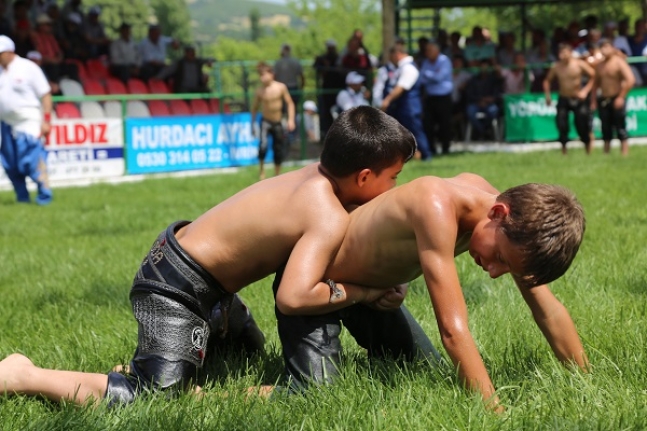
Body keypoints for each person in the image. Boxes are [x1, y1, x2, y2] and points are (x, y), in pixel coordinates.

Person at [0, 106, 419, 406]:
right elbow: (293, 298)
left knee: (247, 358)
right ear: (363, 177)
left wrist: (384, 278)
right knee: (156, 398)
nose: (395, 187)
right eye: (394, 177)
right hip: (174, 288)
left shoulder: (317, 179)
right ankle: (24, 375)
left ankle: (149, 361)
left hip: (211, 293)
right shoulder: (325, 212)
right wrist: (364, 292)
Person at [273, 173, 587, 411]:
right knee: (313, 394)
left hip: (371, 297)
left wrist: (584, 380)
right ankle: (228, 390)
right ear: (498, 214)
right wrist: (494, 412)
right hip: (314, 288)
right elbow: (453, 329)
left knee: (423, 369)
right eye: (501, 260)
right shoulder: (437, 204)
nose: (494, 273)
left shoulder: (502, 217)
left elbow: (547, 308)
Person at [0, 35, 53, 205]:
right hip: (5, 123)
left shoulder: (28, 68)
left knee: (31, 160)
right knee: (10, 164)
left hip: (28, 123)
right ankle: (22, 198)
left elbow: (45, 94)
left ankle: (44, 196)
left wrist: (46, 120)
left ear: (9, 52)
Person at [381, 43, 432, 160]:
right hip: (404, 107)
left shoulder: (408, 68)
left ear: (398, 54)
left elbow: (401, 87)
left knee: (416, 132)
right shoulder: (403, 67)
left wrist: (387, 100)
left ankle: (426, 156)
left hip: (410, 107)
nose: (390, 59)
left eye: (391, 56)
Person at [543, 43, 595, 155]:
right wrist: (548, 96)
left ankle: (588, 148)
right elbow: (547, 81)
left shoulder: (579, 64)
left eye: (564, 52)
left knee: (581, 123)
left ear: (570, 52)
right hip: (564, 98)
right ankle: (564, 151)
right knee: (561, 124)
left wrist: (585, 91)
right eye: (560, 53)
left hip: (578, 98)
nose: (562, 55)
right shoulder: (556, 66)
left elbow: (594, 76)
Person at [250, 62, 296, 180]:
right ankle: (261, 171)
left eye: (264, 74)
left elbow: (290, 103)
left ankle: (277, 174)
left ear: (271, 74)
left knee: (278, 148)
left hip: (278, 121)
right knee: (263, 146)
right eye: (260, 75)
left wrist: (291, 119)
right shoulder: (260, 91)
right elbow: (254, 108)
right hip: (265, 121)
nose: (262, 78)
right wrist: (252, 124)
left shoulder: (280, 87)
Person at [591, 39, 635, 156]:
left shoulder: (619, 62)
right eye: (602, 48)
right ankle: (606, 153)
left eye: (607, 47)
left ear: (612, 48)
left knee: (620, 127)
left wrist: (621, 97)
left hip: (617, 97)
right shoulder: (599, 65)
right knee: (605, 128)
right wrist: (594, 100)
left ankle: (624, 153)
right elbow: (595, 84)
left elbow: (630, 80)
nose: (604, 50)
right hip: (604, 99)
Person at [419, 38, 453, 155]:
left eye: (429, 50)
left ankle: (445, 149)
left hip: (443, 97)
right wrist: (433, 76)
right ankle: (431, 149)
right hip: (430, 97)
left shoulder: (444, 61)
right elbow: (421, 79)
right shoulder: (426, 62)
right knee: (428, 124)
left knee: (445, 124)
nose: (427, 52)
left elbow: (439, 77)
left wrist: (428, 75)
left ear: (436, 51)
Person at [313, 38, 344, 140]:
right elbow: (317, 69)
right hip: (327, 89)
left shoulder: (339, 58)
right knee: (326, 113)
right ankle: (327, 135)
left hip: (338, 88)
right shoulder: (323, 58)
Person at [464, 59, 502, 141]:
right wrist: (479, 100)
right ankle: (483, 131)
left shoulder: (494, 79)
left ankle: (484, 129)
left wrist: (490, 100)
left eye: (486, 67)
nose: (484, 69)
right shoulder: (473, 80)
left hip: (489, 104)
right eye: (482, 67)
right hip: (476, 103)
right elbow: (470, 94)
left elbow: (497, 94)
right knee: (470, 112)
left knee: (493, 111)